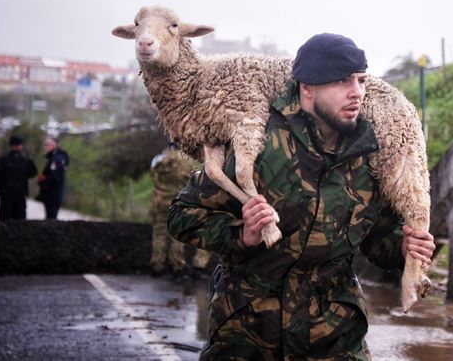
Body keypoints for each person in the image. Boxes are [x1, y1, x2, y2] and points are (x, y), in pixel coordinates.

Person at [168, 33, 436, 360]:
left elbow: (377, 238)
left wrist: (402, 247)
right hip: (250, 336)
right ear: (306, 88)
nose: (357, 93)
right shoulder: (258, 141)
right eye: (341, 81)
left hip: (335, 337)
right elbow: (182, 215)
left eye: (361, 80)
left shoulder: (371, 152)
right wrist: (243, 235)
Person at [149, 143, 199, 275]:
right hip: (177, 202)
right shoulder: (186, 161)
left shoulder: (159, 158)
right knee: (176, 234)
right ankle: (177, 266)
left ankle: (157, 266)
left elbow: (152, 174)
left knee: (159, 234)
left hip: (159, 202)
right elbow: (193, 180)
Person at [0, 136, 38, 222]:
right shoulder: (26, 161)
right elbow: (33, 172)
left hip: (5, 197)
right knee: (20, 223)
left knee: (5, 222)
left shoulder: (2, 161)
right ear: (21, 146)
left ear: (10, 146)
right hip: (20, 196)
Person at [37, 135, 69, 219]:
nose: (45, 147)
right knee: (50, 218)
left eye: (47, 144)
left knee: (51, 219)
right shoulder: (54, 157)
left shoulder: (58, 158)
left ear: (55, 145)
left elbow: (54, 177)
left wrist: (43, 180)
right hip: (50, 195)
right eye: (45, 144)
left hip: (53, 195)